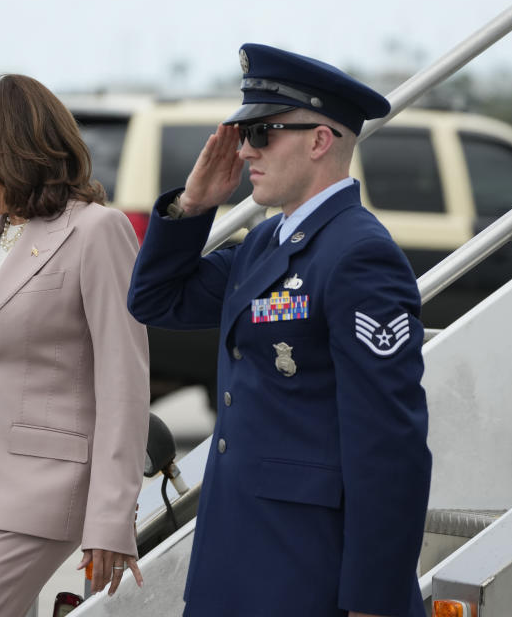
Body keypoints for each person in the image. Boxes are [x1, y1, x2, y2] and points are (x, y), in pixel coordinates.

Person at [127, 44, 432, 617]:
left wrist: (374, 599)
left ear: (320, 140)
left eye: (262, 134)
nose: (244, 151)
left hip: (310, 577)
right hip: (237, 566)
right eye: (245, 134)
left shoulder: (359, 255)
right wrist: (192, 205)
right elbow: (155, 301)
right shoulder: (269, 242)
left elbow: (390, 448)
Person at [0, 74, 150, 617]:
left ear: (9, 152)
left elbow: (124, 384)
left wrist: (112, 516)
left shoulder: (96, 231)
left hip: (37, 492)